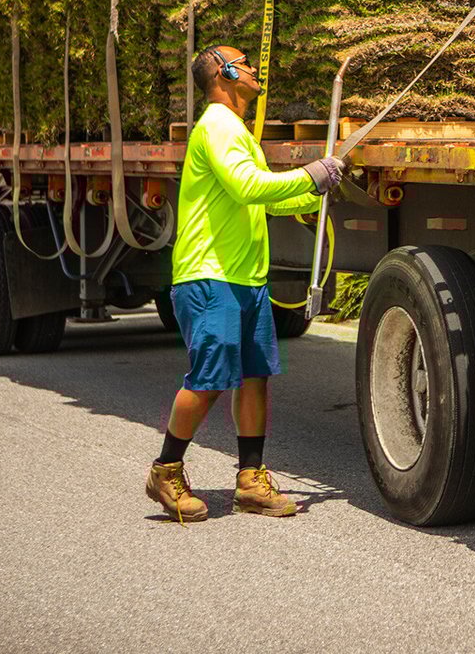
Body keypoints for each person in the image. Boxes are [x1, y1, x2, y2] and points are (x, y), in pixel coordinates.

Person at [146, 44, 345, 522]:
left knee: (255, 377)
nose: (255, 71)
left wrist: (313, 190)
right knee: (211, 380)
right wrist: (308, 173)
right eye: (246, 64)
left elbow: (262, 201)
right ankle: (166, 469)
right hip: (208, 275)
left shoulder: (235, 131)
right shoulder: (215, 125)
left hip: (246, 278)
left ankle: (251, 481)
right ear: (224, 72)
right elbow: (247, 186)